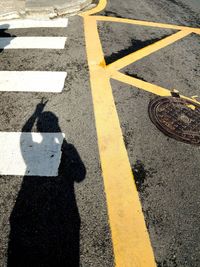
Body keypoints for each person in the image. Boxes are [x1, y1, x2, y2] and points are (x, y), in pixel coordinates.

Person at [7, 99, 86, 267]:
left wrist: (36, 113)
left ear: (39, 129)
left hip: (28, 203)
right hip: (61, 207)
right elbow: (80, 175)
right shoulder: (65, 148)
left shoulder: (31, 150)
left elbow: (24, 132)